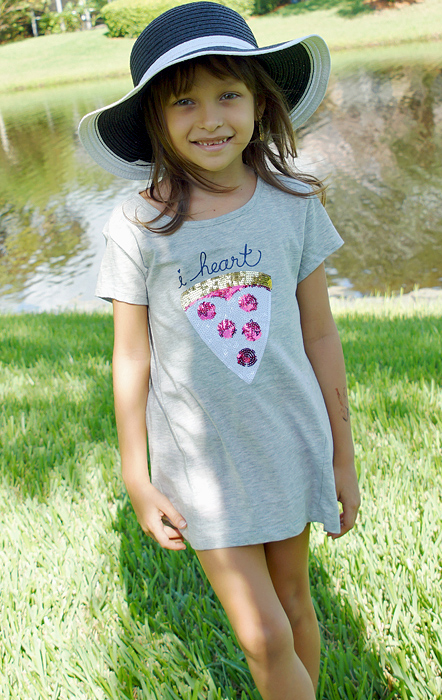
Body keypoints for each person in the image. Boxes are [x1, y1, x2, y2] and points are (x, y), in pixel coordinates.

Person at [79, 3, 360, 698]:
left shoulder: (292, 202)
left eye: (228, 94)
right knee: (261, 634)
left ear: (261, 104)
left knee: (295, 604)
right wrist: (136, 475)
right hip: (202, 465)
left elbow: (320, 335)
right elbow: (131, 357)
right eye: (184, 102)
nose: (210, 118)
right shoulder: (137, 224)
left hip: (291, 441)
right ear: (154, 119)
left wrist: (342, 455)